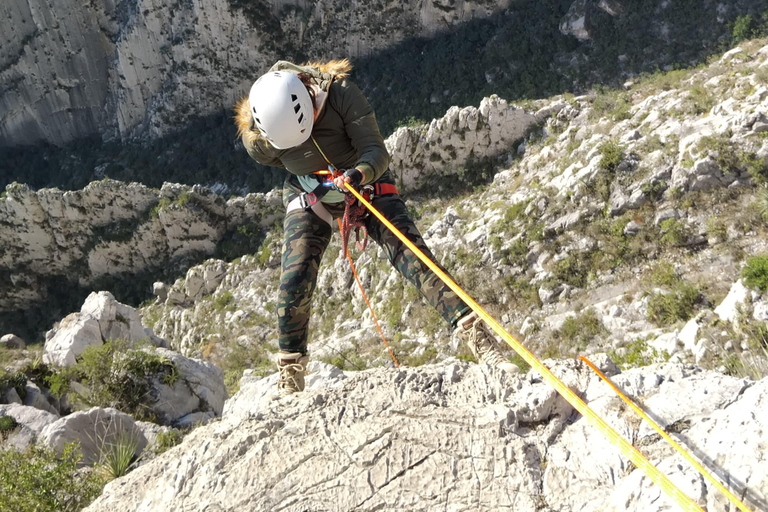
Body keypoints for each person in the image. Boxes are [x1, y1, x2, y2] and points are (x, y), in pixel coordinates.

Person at [235, 59, 516, 395]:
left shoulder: (341, 95)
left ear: (308, 94)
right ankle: (291, 372)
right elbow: (279, 160)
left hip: (365, 182)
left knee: (411, 254)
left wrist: (357, 174)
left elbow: (375, 151)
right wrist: (319, 179)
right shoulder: (260, 142)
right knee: (295, 277)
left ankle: (479, 339)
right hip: (311, 194)